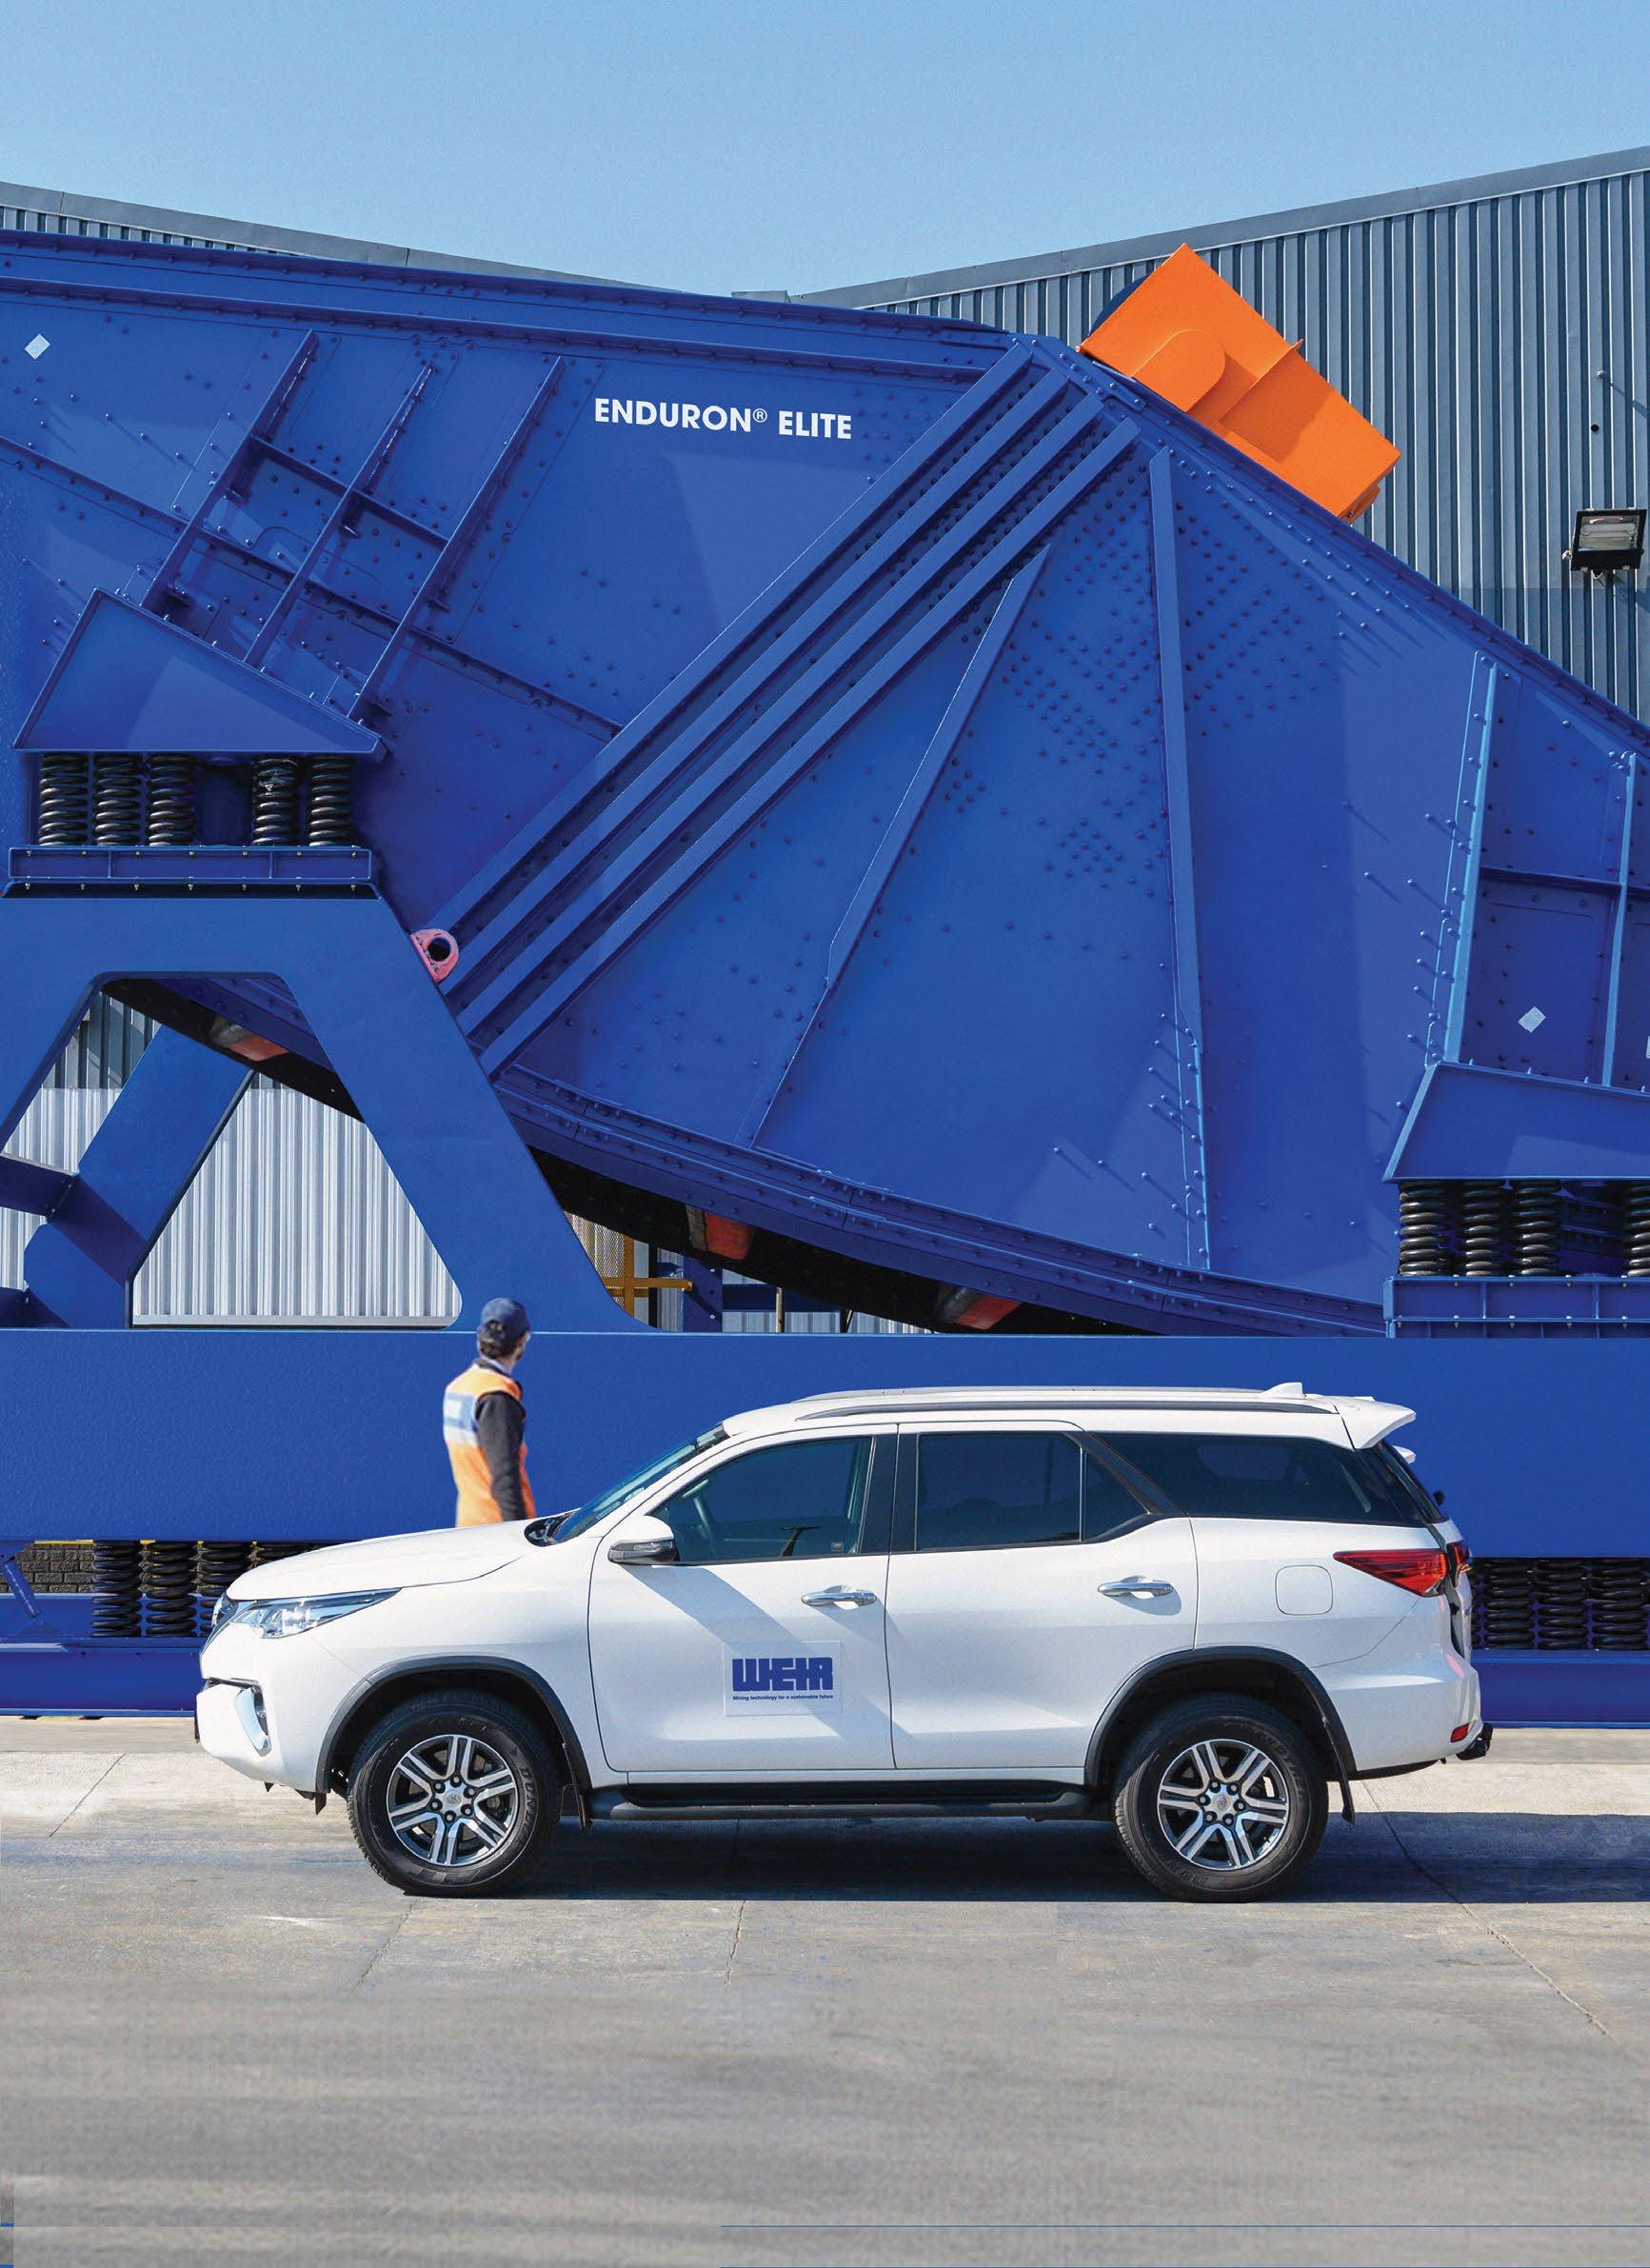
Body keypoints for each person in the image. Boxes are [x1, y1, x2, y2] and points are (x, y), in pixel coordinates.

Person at [444, 1298, 536, 1526]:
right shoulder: (496, 1397)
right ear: (522, 1341)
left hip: (469, 1524)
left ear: (480, 1338)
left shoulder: (459, 1387)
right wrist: (517, 1533)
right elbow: (505, 1477)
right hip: (496, 1528)